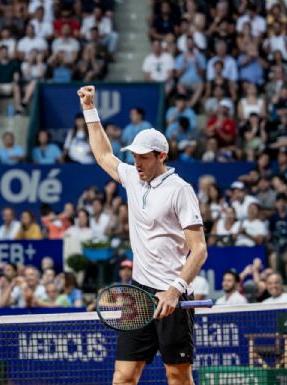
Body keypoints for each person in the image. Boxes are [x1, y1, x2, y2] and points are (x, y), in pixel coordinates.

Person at [77, 85, 208, 385]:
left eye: (143, 157)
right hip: (138, 296)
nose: (136, 162)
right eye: (134, 156)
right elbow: (103, 155)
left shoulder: (180, 191)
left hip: (171, 296)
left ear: (161, 155)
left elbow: (199, 250)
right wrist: (89, 108)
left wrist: (175, 290)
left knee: (177, 376)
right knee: (123, 377)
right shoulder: (133, 180)